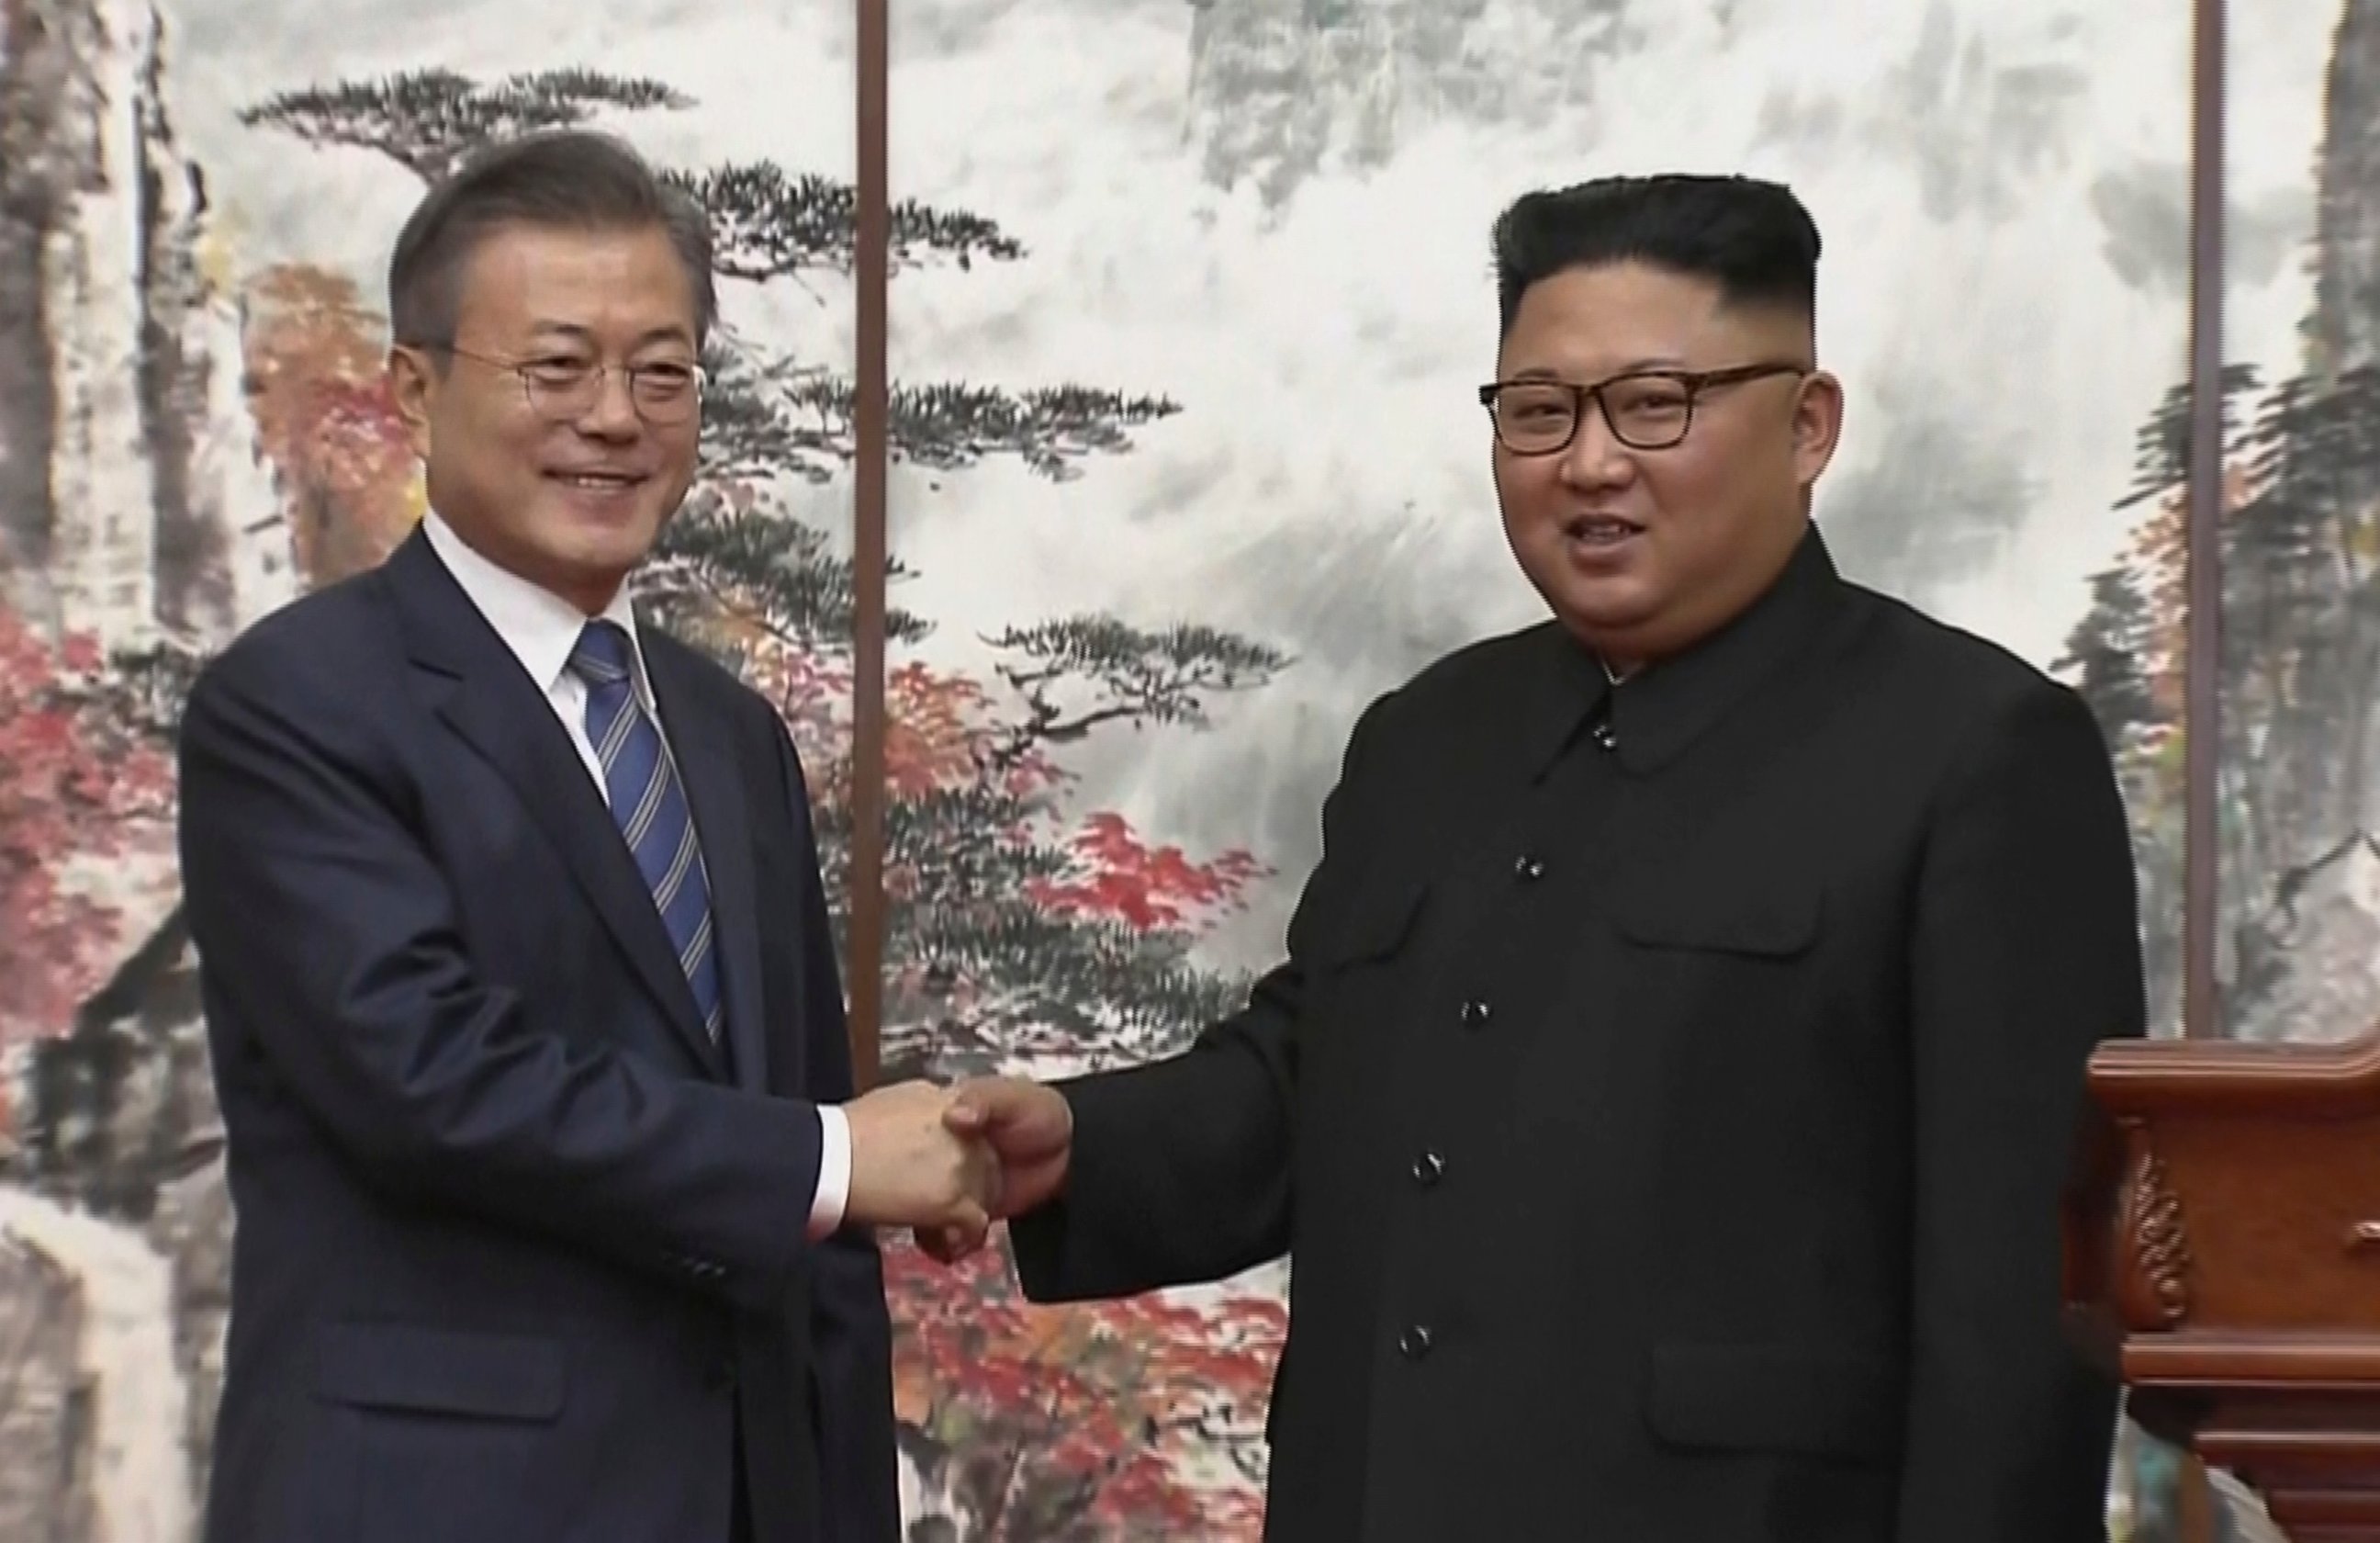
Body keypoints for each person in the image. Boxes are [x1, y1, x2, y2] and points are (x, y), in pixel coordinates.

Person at [930, 174, 2148, 1541]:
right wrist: (1076, 1143)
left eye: (1654, 404)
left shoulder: (1975, 754)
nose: (1590, 462)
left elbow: (2022, 1325)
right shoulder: (1431, 736)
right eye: (1540, 411)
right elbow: (1319, 1080)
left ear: (1809, 427)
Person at [177, 130, 988, 1543]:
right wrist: (834, 1162)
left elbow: (825, 1239)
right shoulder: (295, 707)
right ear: (413, 387)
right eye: (556, 367)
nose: (614, 416)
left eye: (660, 371)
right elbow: (429, 1082)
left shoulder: (729, 736)